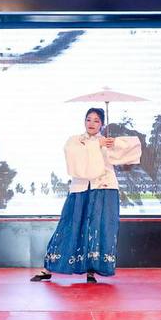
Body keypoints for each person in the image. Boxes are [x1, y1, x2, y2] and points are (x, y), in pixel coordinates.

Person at [31, 108, 141, 283]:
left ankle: (92, 270)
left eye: (96, 120)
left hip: (103, 188)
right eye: (88, 119)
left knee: (98, 228)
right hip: (80, 189)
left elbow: (131, 149)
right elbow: (73, 156)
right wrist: (96, 145)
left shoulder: (105, 141)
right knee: (69, 225)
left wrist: (114, 143)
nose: (91, 123)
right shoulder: (75, 141)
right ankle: (48, 268)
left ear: (102, 124)